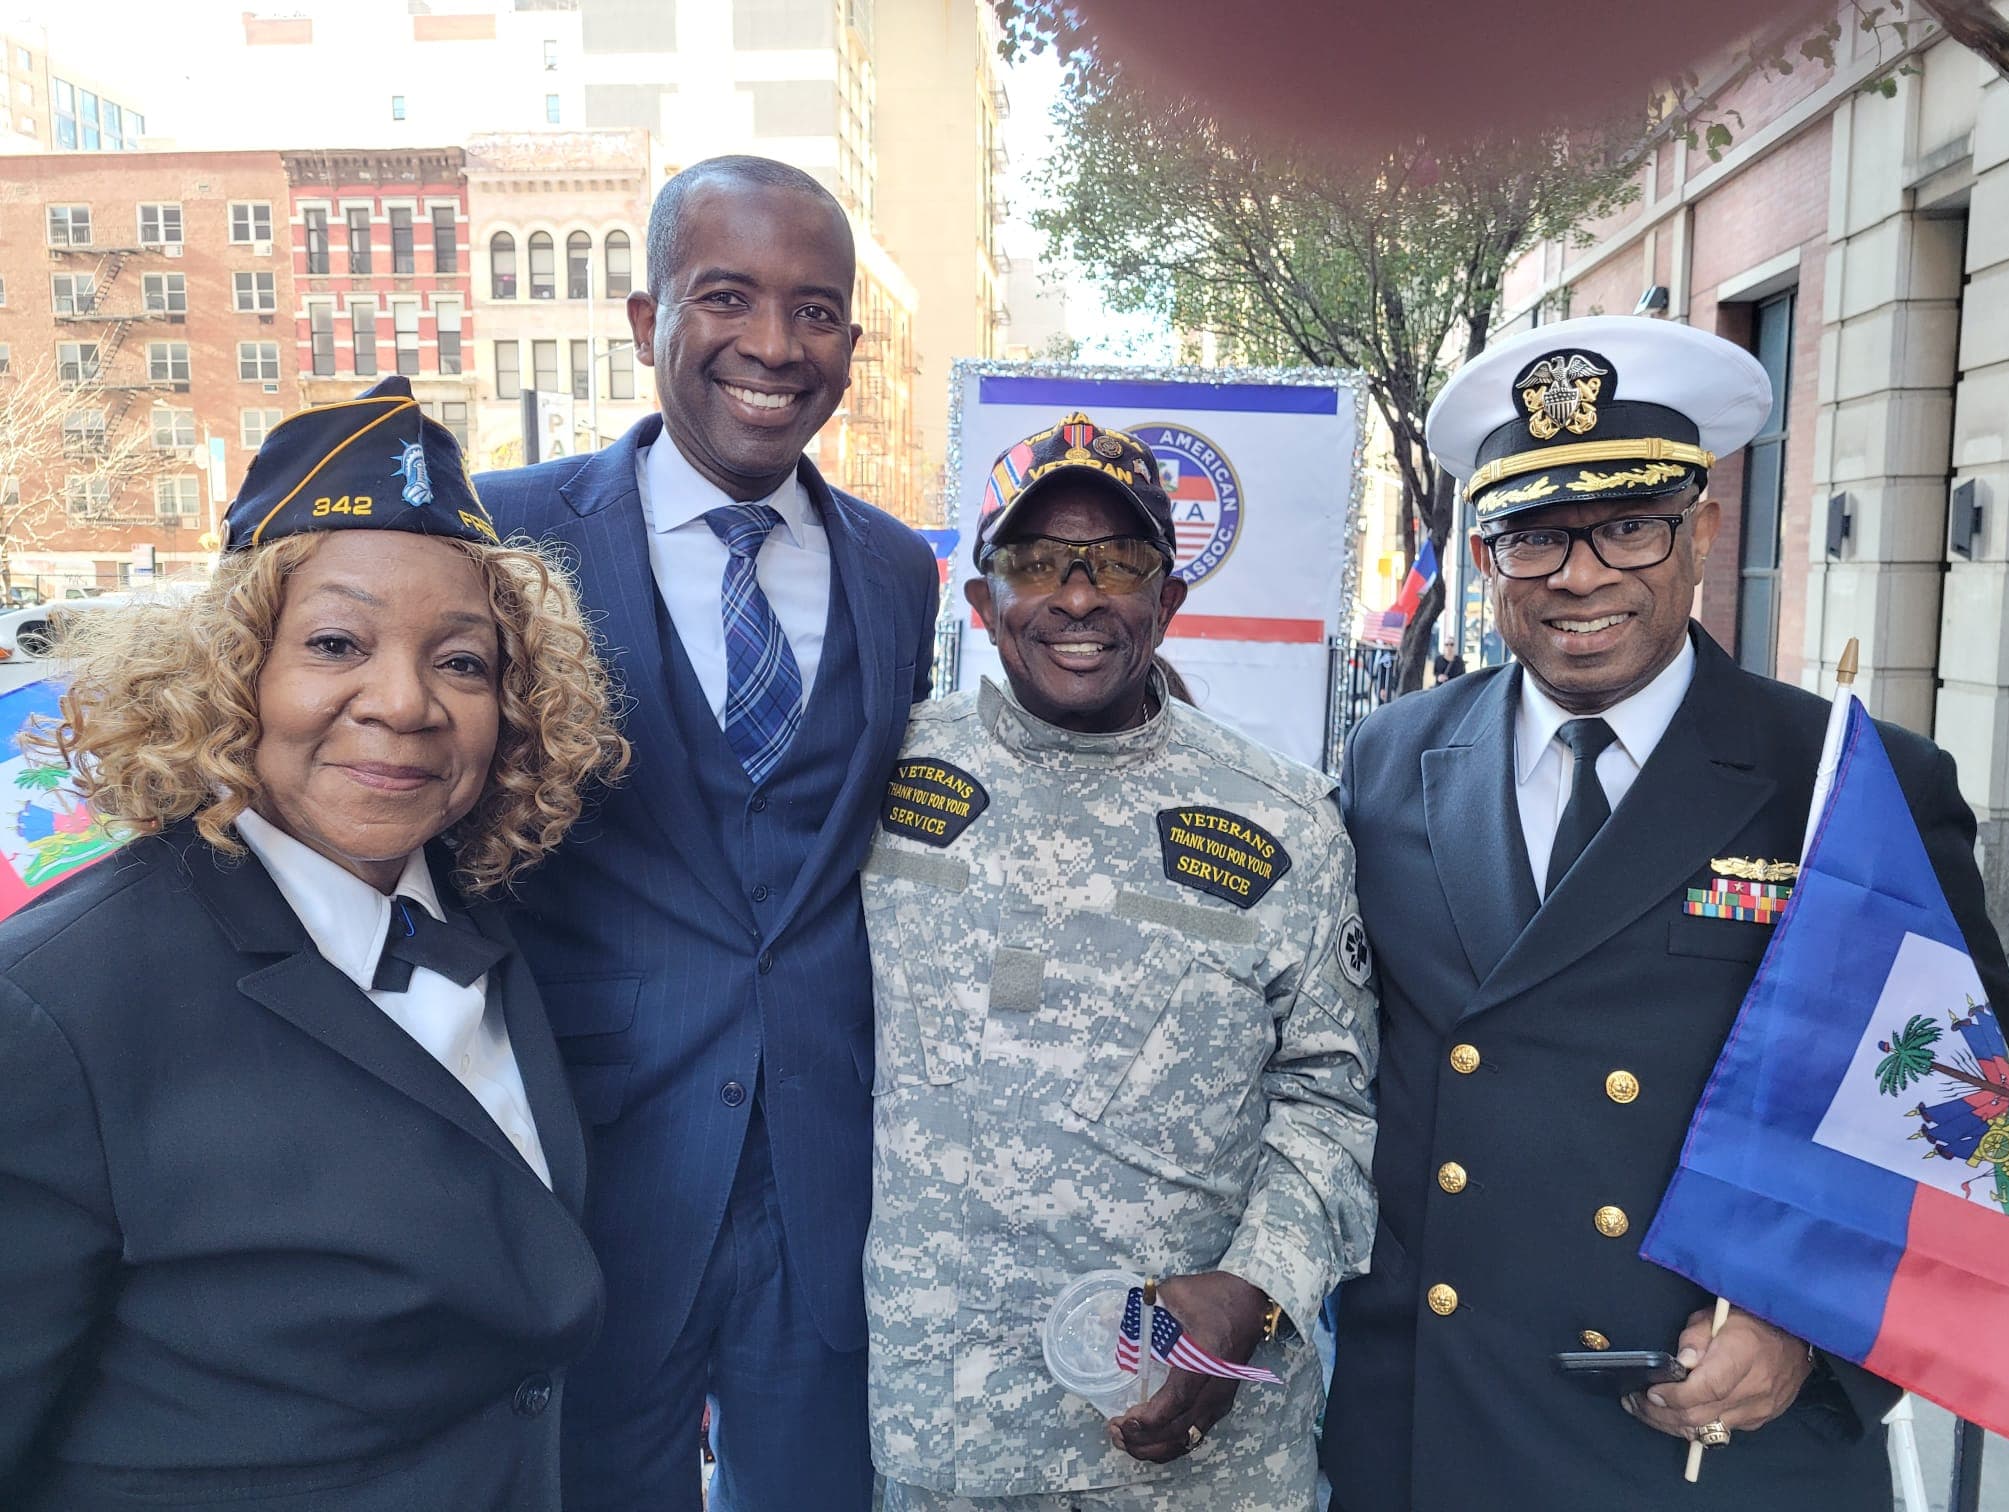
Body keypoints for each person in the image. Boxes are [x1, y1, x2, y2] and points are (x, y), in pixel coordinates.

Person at [1318, 314, 2009, 1511]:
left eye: (1627, 526)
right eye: (1533, 536)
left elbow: (1962, 1124)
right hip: (1434, 1425)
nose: (1580, 575)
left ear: (1700, 531)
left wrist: (1816, 1344)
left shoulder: (1845, 783)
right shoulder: (1391, 759)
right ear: (1488, 558)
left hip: (1714, 1445)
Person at [0, 374, 628, 1511]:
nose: (405, 702)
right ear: (232, 672)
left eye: (463, 660)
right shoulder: (52, 1005)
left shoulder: (483, 921)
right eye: (337, 642)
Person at [476, 154, 940, 1511]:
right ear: (645, 320)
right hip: (595, 1161)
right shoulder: (506, 536)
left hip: (826, 1165)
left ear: (850, 341)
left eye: (815, 310)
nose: (774, 346)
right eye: (728, 296)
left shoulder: (896, 567)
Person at [863, 412, 1378, 1511]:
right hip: (939, 1438)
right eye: (1038, 561)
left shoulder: (1282, 817)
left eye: (1120, 563)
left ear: (1170, 601)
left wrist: (1258, 1284)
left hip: (1197, 1458)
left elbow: (1333, 1096)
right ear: (982, 604)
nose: (1081, 595)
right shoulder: (880, 779)